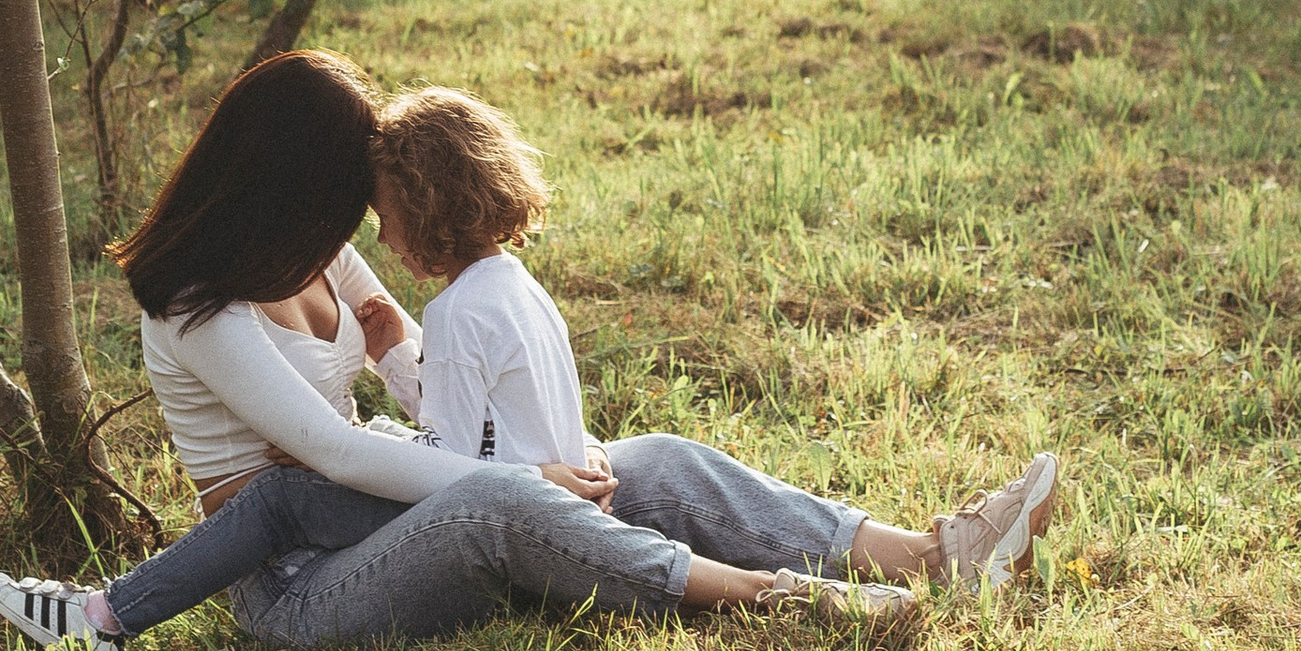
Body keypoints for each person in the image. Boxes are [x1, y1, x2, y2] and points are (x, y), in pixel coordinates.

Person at [0, 54, 1049, 651]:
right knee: (508, 508)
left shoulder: (313, 247)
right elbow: (328, 452)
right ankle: (779, 597)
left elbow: (396, 337)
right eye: (341, 196)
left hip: (391, 507)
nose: (359, 224)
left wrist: (511, 442)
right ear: (278, 187)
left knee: (655, 461)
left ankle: (929, 554)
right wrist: (513, 473)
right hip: (296, 587)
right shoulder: (191, 307)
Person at [365, 83, 1055, 593]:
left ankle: (927, 557)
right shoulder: (511, 282)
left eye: (386, 215)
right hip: (564, 499)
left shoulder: (456, 313)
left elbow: (447, 461)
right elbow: (495, 416)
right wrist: (398, 356)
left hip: (534, 524)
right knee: (665, 467)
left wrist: (364, 437)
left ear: (428, 209)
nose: (381, 235)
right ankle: (897, 569)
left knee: (670, 461)